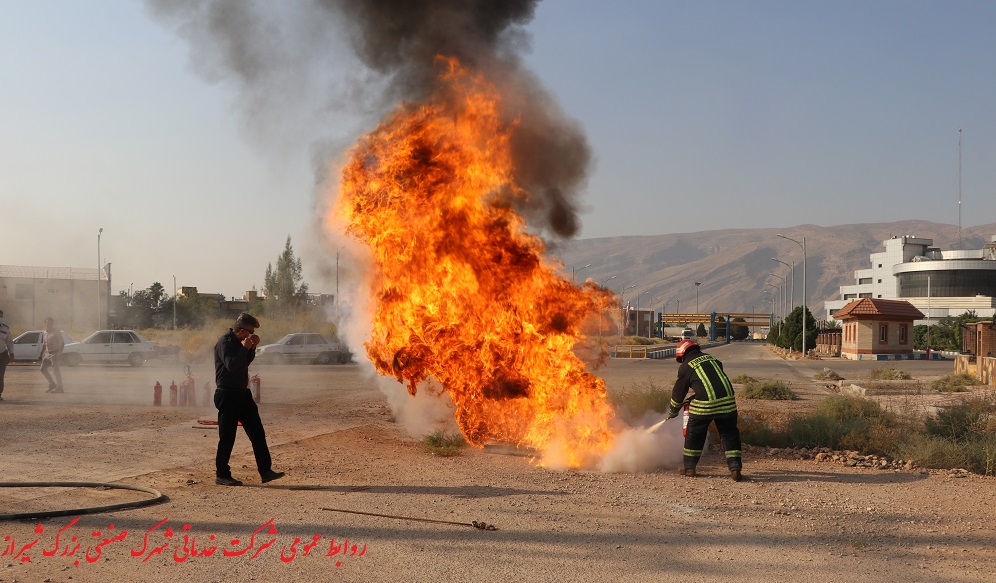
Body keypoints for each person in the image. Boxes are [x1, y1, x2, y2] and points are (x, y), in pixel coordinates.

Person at [213, 313, 285, 486]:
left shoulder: (240, 344)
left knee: (257, 433)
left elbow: (244, 363)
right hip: (227, 395)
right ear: (242, 331)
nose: (251, 336)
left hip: (242, 395)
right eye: (250, 333)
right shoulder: (225, 343)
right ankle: (222, 474)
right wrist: (245, 348)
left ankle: (265, 471)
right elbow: (231, 365)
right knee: (227, 437)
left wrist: (251, 349)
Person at [668, 339, 743, 481]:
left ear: (683, 353)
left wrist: (673, 409)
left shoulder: (686, 366)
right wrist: (696, 395)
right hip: (728, 402)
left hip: (706, 405)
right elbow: (712, 382)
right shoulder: (713, 359)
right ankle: (735, 468)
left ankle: (689, 468)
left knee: (694, 433)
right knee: (729, 434)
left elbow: (679, 391)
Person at [40, 317, 64, 394]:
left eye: (50, 323)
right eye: (47, 323)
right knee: (42, 369)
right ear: (45, 323)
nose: (49, 324)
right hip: (47, 353)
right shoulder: (44, 332)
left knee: (56, 370)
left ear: (52, 324)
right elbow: (44, 344)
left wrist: (59, 353)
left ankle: (60, 388)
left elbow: (62, 343)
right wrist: (40, 354)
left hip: (55, 353)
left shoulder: (56, 332)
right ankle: (52, 384)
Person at [0, 309, 14, 402]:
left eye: (0, 316)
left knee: (0, 375)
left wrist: (12, 354)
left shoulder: (5, 328)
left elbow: (9, 342)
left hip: (2, 355)